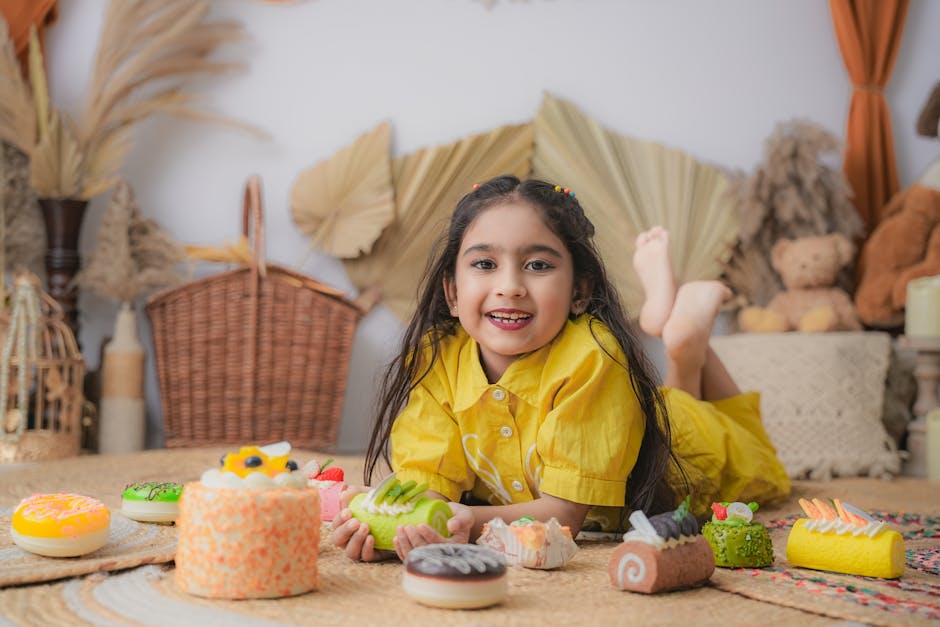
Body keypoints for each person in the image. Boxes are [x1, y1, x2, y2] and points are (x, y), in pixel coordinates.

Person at [332, 175, 790, 562]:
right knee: (675, 398)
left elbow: (565, 514)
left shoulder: (594, 355)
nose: (509, 287)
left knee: (754, 453)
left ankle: (688, 344)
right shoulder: (436, 358)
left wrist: (467, 521)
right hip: (643, 413)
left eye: (537, 265)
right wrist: (404, 527)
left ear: (579, 291)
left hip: (689, 450)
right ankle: (679, 339)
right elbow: (428, 485)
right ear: (452, 292)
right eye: (485, 264)